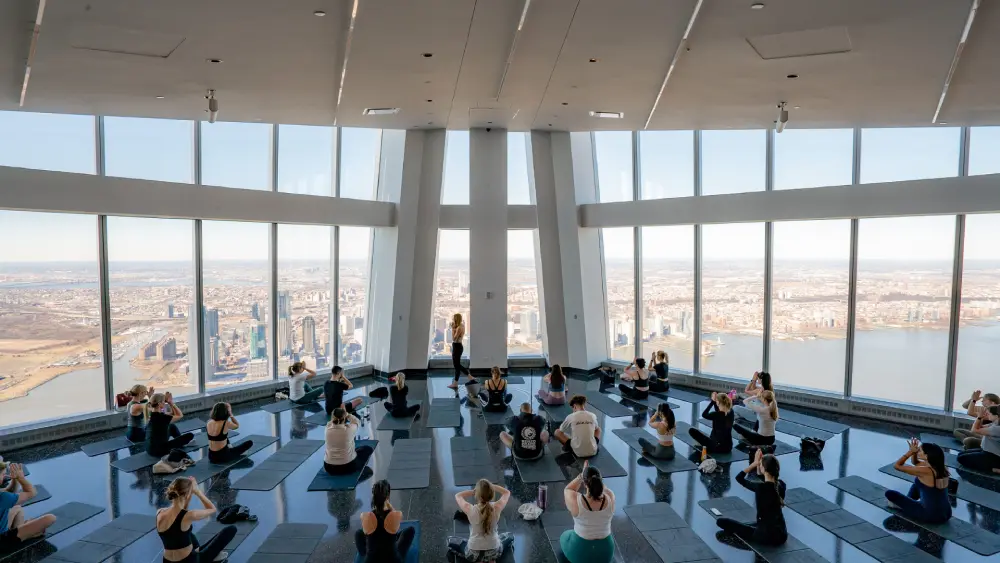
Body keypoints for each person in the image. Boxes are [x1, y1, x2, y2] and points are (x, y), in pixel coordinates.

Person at [716, 450, 787, 547]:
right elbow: (768, 481)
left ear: (763, 468)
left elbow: (739, 478)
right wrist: (760, 465)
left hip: (764, 536)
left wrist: (754, 464)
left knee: (722, 522)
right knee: (751, 524)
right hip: (781, 535)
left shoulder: (760, 488)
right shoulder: (781, 485)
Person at [157, 477, 236, 563]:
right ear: (188, 495)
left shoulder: (160, 512)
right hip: (190, 561)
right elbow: (212, 509)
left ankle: (198, 550)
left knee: (184, 532)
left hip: (167, 561)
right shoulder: (189, 515)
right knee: (231, 529)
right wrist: (198, 492)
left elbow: (178, 518)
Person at [559, 462, 616, 563]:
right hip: (605, 554)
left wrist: (581, 475)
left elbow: (568, 489)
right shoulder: (610, 496)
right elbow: (603, 489)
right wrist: (594, 478)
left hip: (580, 552)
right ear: (600, 481)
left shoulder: (575, 500)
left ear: (585, 484)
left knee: (564, 536)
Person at [885, 439, 952, 523]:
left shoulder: (927, 471)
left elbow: (897, 466)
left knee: (890, 494)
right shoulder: (942, 467)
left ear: (927, 456)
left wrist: (910, 452)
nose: (918, 451)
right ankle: (909, 504)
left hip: (930, 515)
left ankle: (904, 507)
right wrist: (914, 452)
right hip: (946, 513)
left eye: (920, 450)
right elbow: (915, 462)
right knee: (918, 482)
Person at [447, 479, 514, 563]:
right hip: (495, 552)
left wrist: (473, 491)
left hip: (473, 553)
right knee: (510, 536)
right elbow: (507, 493)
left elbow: (458, 495)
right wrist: (492, 487)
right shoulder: (497, 506)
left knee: (450, 540)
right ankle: (490, 560)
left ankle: (479, 560)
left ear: (477, 495)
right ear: (491, 493)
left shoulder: (469, 508)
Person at [0, 462, 56, 553]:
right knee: (50, 518)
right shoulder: (3, 497)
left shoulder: (3, 496)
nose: (5, 476)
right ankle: (22, 536)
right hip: (2, 541)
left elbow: (9, 493)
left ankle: (21, 530)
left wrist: (15, 480)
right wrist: (21, 478)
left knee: (17, 508)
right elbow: (32, 493)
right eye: (3, 474)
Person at [355, 480, 415, 563]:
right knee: (410, 530)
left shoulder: (366, 516)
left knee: (358, 533)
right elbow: (397, 515)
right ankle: (394, 539)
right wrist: (389, 505)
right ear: (387, 497)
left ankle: (363, 553)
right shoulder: (395, 516)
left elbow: (366, 532)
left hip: (370, 561)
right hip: (393, 561)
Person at [324, 408, 375, 475]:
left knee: (354, 451)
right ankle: (358, 470)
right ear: (344, 417)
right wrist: (347, 414)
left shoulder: (327, 428)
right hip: (348, 467)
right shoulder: (349, 429)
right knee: (368, 449)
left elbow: (331, 422)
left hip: (329, 468)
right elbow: (357, 421)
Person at [146, 393, 195, 458]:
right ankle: (182, 444)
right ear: (159, 404)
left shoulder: (153, 414)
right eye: (163, 401)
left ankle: (180, 443)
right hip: (159, 451)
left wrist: (168, 402)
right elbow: (180, 415)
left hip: (150, 449)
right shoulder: (161, 417)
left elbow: (172, 413)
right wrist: (171, 403)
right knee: (190, 435)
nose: (164, 403)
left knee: (171, 426)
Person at [956, 405, 1000, 474]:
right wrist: (981, 418)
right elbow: (979, 427)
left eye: (989, 414)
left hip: (994, 456)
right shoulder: (995, 424)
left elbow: (974, 430)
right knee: (960, 454)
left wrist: (979, 417)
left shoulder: (996, 429)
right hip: (986, 451)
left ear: (997, 416)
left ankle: (995, 469)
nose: (987, 415)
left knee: (961, 459)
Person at [446, 313, 470, 389]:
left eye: (453, 318)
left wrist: (453, 329)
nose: (452, 320)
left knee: (457, 365)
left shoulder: (459, 327)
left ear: (456, 319)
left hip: (457, 346)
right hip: (458, 346)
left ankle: (457, 382)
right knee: (457, 365)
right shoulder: (462, 325)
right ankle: (466, 377)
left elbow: (454, 339)